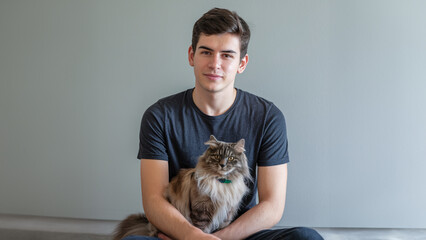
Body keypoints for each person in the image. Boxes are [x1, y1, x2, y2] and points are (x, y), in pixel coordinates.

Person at [127, 8, 323, 240]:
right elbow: (154, 201)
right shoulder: (159, 116)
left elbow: (272, 205)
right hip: (182, 233)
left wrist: (220, 239)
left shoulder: (268, 117)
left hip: (240, 234)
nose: (215, 64)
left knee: (306, 237)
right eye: (206, 52)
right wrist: (192, 236)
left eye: (227, 55)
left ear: (242, 63)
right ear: (191, 55)